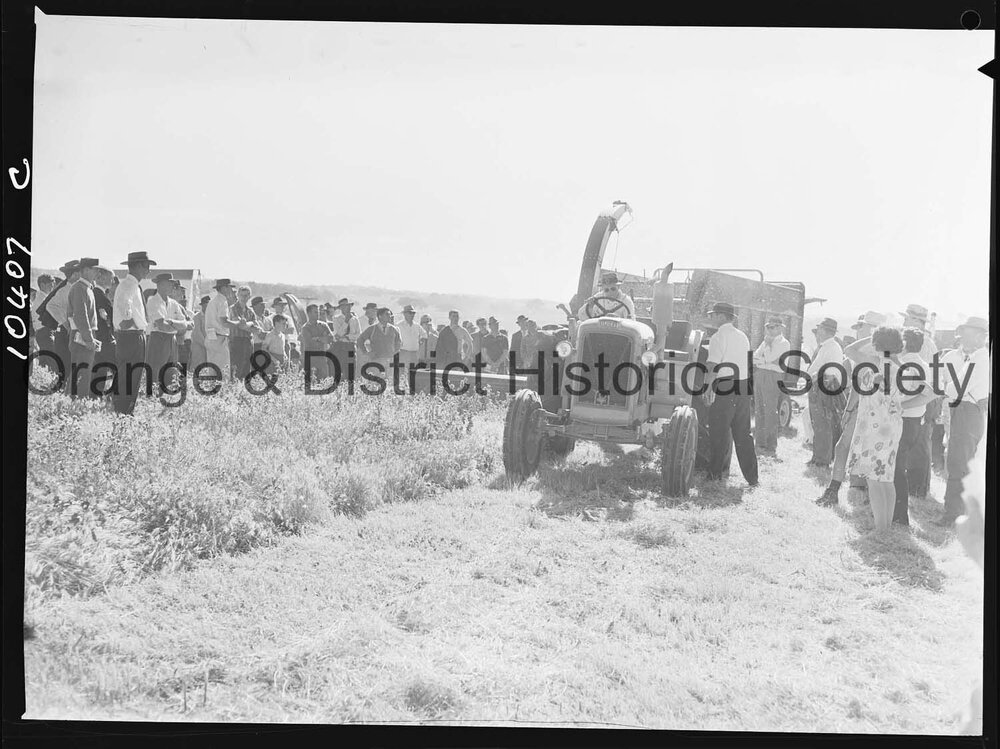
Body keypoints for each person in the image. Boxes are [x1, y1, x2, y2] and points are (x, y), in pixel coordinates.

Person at [817, 311, 886, 506]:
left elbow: (849, 350)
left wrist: (850, 410)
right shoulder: (876, 357)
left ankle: (837, 492)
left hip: (870, 410)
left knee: (850, 448)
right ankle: (846, 493)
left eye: (863, 327)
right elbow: (858, 384)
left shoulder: (873, 357)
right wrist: (848, 410)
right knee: (853, 449)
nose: (858, 330)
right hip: (869, 410)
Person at [844, 327, 907, 533]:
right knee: (886, 479)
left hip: (875, 427)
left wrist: (872, 338)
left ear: (876, 344)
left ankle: (881, 529)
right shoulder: (901, 367)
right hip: (892, 426)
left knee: (874, 480)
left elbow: (850, 349)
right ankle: (885, 527)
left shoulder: (876, 366)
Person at [935, 316, 989, 527]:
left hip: (966, 411)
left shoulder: (978, 358)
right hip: (969, 412)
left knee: (958, 464)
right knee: (962, 464)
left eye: (965, 334)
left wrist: (947, 388)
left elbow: (954, 389)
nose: (961, 338)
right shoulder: (981, 356)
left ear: (979, 336)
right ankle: (962, 513)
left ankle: (953, 515)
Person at [702, 302, 758, 487]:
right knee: (743, 434)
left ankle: (715, 474)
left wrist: (707, 387)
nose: (711, 318)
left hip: (726, 386)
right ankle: (752, 478)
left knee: (719, 430)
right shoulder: (743, 336)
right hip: (743, 385)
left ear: (720, 316)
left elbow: (712, 366)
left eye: (713, 315)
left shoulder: (718, 337)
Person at [890, 327, 931, 527]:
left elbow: (928, 394)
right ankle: (895, 511)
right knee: (898, 466)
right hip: (914, 422)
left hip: (903, 421)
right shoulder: (923, 364)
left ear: (905, 343)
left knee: (896, 468)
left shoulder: (907, 364)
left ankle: (899, 515)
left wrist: (899, 405)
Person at [898, 304, 938, 500]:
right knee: (914, 443)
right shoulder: (921, 342)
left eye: (907, 318)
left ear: (915, 321)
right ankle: (913, 486)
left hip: (924, 398)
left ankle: (918, 488)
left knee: (920, 443)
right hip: (917, 396)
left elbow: (931, 380)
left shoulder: (927, 345)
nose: (904, 321)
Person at [112, 251, 155, 414]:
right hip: (130, 336)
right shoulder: (128, 285)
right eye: (146, 266)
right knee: (129, 377)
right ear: (136, 266)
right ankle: (123, 412)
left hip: (133, 335)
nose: (148, 270)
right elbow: (124, 315)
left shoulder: (133, 285)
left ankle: (125, 412)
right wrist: (133, 324)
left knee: (131, 377)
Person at [806, 317, 846, 468]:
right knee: (818, 423)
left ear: (824, 330)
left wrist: (816, 376)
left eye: (820, 329)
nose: (818, 333)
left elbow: (832, 372)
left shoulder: (833, 347)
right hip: (820, 387)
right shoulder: (827, 346)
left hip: (824, 388)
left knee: (823, 423)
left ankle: (822, 459)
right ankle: (818, 457)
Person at [146, 272, 191, 392]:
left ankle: (168, 395)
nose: (173, 287)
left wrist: (172, 323)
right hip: (158, 338)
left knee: (171, 370)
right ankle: (154, 397)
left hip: (172, 339)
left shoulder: (173, 303)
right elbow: (162, 326)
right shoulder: (153, 301)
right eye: (170, 284)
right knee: (156, 370)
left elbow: (186, 323)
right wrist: (179, 325)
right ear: (160, 285)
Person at [752, 315, 790, 456]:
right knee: (759, 409)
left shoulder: (784, 343)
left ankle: (770, 445)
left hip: (773, 377)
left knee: (769, 411)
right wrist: (765, 361)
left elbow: (768, 357)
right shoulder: (767, 341)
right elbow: (755, 358)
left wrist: (765, 357)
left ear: (780, 328)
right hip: (761, 374)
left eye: (772, 327)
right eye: (768, 326)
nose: (769, 329)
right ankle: (760, 443)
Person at [65, 258, 102, 397]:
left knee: (81, 372)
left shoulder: (86, 288)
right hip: (81, 336)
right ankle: (76, 406)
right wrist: (89, 338)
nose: (98, 272)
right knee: (82, 374)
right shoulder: (80, 288)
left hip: (82, 335)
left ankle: (71, 403)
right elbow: (80, 316)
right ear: (85, 270)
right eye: (95, 269)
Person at [42, 260, 82, 378]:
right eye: (80, 272)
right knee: (66, 362)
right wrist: (65, 323)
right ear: (74, 274)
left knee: (70, 362)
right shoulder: (65, 290)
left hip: (69, 330)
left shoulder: (70, 288)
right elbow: (50, 305)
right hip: (66, 332)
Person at [204, 278, 240, 382]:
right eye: (229, 287)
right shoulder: (222, 301)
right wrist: (238, 324)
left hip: (210, 337)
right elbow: (224, 321)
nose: (230, 290)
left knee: (212, 371)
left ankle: (211, 393)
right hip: (219, 338)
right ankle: (221, 394)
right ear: (224, 288)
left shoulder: (213, 301)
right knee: (223, 371)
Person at [356, 306, 401, 379]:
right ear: (380, 316)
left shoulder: (394, 329)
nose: (389, 316)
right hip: (376, 359)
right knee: (376, 381)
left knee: (390, 381)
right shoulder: (372, 329)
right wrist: (366, 352)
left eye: (390, 314)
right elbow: (360, 340)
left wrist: (394, 353)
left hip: (390, 360)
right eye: (387, 314)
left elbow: (399, 342)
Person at [227, 285, 260, 380]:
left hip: (248, 342)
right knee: (236, 368)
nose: (243, 298)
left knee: (246, 369)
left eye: (246, 295)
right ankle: (234, 389)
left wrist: (247, 324)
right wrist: (251, 325)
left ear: (249, 296)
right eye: (241, 295)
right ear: (237, 295)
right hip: (235, 341)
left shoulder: (250, 311)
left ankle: (243, 390)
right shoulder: (233, 309)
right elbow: (240, 325)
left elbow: (257, 329)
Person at [299, 303, 336, 382]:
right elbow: (310, 342)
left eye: (318, 311)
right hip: (311, 358)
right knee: (311, 381)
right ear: (309, 314)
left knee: (323, 380)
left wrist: (318, 338)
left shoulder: (323, 325)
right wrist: (323, 339)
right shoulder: (305, 328)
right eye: (315, 312)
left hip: (322, 358)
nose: (318, 314)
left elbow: (331, 338)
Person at [397, 304, 427, 374]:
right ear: (405, 314)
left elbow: (424, 335)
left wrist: (421, 341)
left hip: (414, 353)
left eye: (413, 313)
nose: (412, 315)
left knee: (413, 373)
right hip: (403, 352)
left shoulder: (417, 326)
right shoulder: (399, 325)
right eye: (410, 313)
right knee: (402, 372)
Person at [190, 295, 211, 371]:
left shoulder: (211, 316)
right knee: (197, 365)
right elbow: (197, 333)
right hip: (198, 345)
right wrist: (206, 344)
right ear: (202, 305)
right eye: (205, 305)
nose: (207, 307)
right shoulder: (197, 317)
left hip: (209, 346)